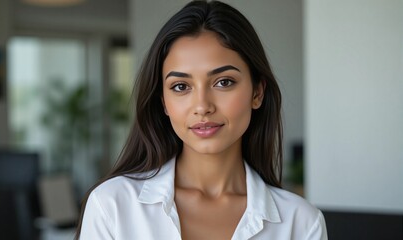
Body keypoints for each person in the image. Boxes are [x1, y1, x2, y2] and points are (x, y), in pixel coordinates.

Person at [75, 1, 328, 239]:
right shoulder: (112, 205)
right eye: (181, 86)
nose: (202, 106)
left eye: (223, 82)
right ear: (163, 101)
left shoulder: (301, 224)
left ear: (257, 92)